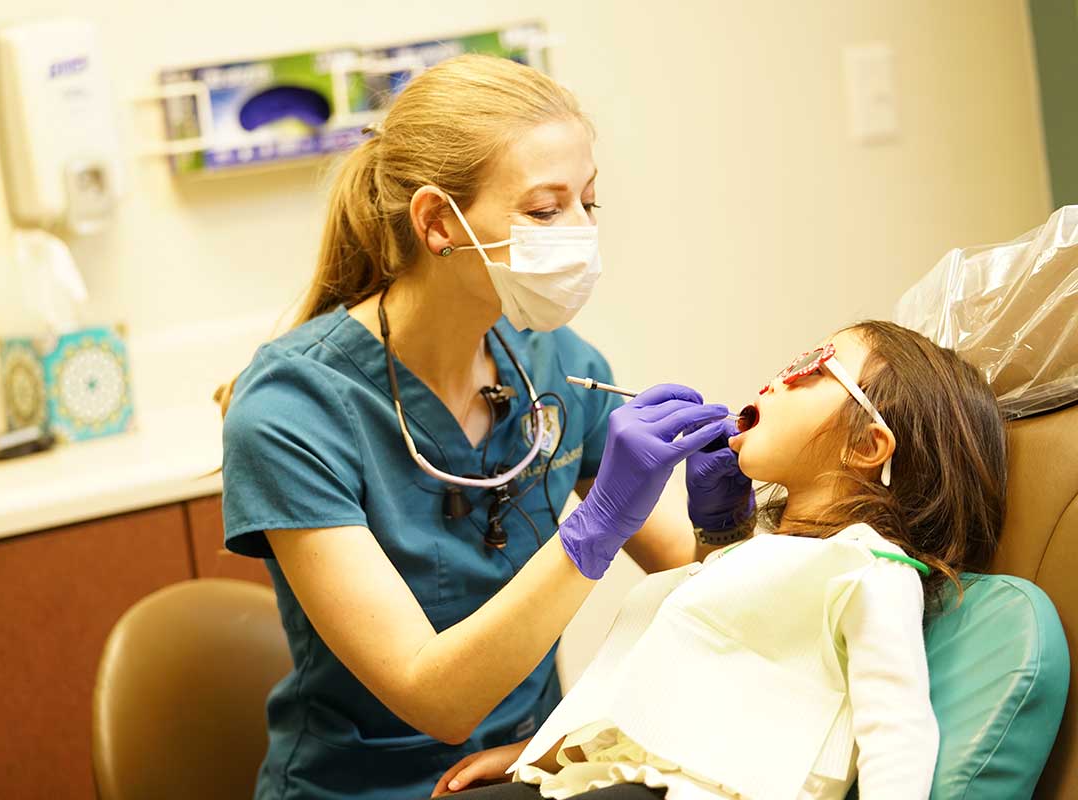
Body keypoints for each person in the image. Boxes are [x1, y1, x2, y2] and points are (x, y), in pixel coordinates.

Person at [217, 54, 753, 800]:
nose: (579, 234)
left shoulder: (558, 366)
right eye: (543, 211)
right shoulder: (291, 411)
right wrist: (594, 527)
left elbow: (701, 591)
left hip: (530, 775)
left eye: (587, 204)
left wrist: (728, 524)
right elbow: (434, 697)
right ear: (438, 223)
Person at [432, 320, 1007, 800]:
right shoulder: (751, 558)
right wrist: (539, 759)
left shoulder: (868, 570)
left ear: (866, 446)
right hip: (620, 777)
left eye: (811, 367)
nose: (776, 380)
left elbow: (897, 731)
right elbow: (666, 687)